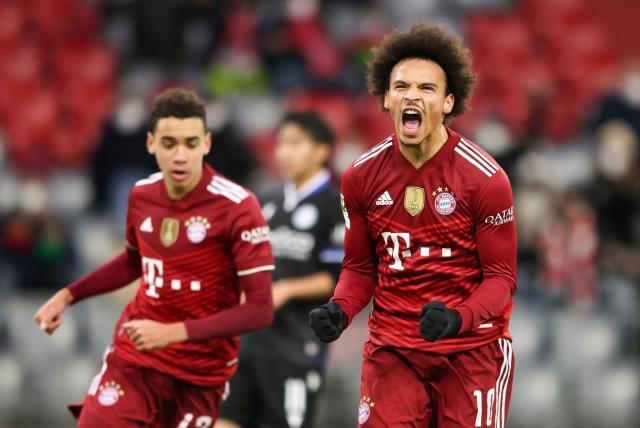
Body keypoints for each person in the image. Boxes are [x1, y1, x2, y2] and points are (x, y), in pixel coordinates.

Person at [309, 22, 517, 427]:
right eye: (402, 86)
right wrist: (340, 309)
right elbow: (360, 268)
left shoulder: (485, 179)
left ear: (448, 102)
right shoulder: (360, 176)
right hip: (394, 352)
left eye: (426, 88)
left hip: (472, 352)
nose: (412, 96)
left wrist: (457, 317)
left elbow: (501, 279)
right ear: (386, 98)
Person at [34, 88, 275, 427]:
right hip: (135, 360)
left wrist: (173, 333)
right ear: (151, 144)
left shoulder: (239, 207)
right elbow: (133, 262)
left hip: (198, 376)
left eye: (191, 144)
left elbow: (260, 309)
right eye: (169, 144)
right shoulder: (142, 194)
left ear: (206, 144)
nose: (180, 156)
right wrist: (68, 295)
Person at [217, 111, 344, 428]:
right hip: (248, 341)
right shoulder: (265, 202)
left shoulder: (335, 207)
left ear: (322, 150)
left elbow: (340, 278)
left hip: (295, 344)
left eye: (295, 143)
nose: (284, 153)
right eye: (281, 144)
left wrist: (286, 290)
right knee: (223, 420)